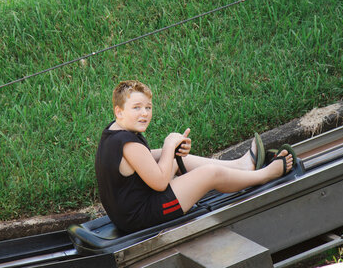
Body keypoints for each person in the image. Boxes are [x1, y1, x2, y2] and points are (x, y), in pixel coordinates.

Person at [95, 80, 293, 233]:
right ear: (119, 112)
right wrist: (168, 145)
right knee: (210, 174)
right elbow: (160, 183)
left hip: (128, 213)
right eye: (136, 107)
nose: (144, 113)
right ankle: (267, 174)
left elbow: (143, 159)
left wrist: (172, 149)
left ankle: (241, 165)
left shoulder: (114, 133)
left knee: (174, 159)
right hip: (142, 217)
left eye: (148, 107)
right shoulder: (129, 144)